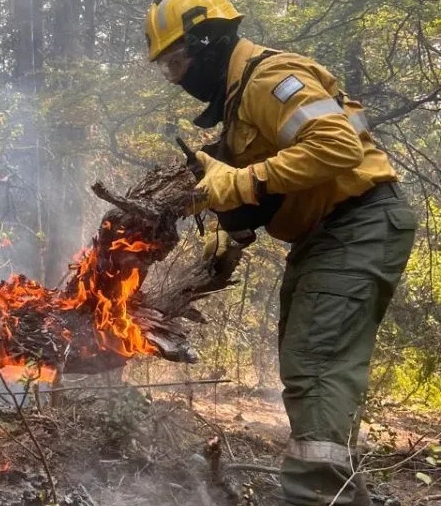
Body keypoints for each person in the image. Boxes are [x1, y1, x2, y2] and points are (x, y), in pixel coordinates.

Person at [144, 1, 417, 504]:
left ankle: (312, 498)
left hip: (358, 222)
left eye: (174, 63)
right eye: (164, 68)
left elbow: (337, 146)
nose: (173, 77)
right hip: (328, 234)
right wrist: (229, 229)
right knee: (309, 364)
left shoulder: (272, 78)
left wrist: (244, 182)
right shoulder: (239, 103)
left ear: (207, 44)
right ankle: (337, 496)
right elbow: (260, 187)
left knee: (314, 364)